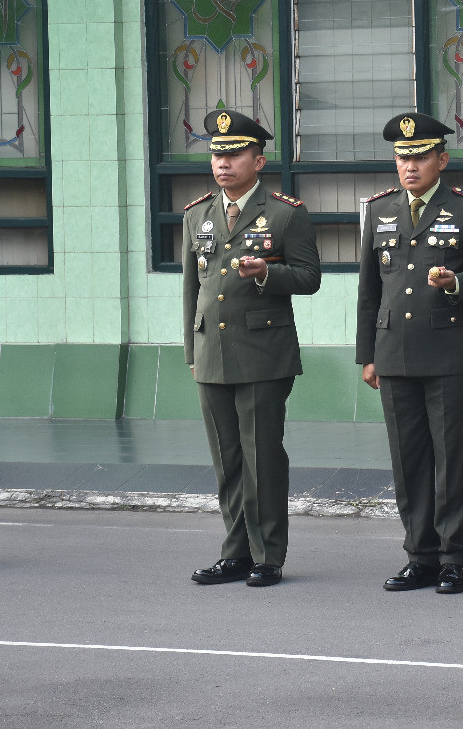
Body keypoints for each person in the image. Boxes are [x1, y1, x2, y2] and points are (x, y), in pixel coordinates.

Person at [356, 112, 463, 595]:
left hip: (448, 354)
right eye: (402, 157)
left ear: (441, 159)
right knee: (410, 461)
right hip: (394, 352)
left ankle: (453, 558)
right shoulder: (380, 211)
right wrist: (368, 355)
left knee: (453, 461)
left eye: (419, 156)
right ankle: (419, 555)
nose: (410, 166)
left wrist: (457, 282)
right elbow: (369, 290)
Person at [182, 109, 321, 588]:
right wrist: (192, 350)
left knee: (261, 456)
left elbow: (309, 278)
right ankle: (235, 551)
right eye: (217, 154)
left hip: (263, 352)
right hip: (212, 351)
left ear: (258, 161)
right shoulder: (197, 214)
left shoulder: (286, 213)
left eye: (234, 154)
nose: (223, 163)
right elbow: (192, 288)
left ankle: (267, 555)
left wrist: (267, 273)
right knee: (228, 461)